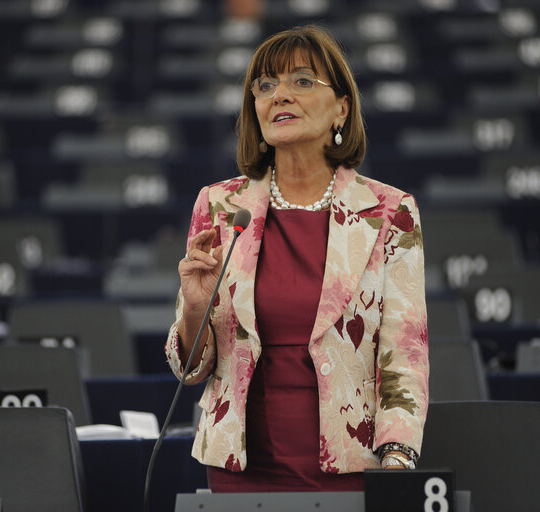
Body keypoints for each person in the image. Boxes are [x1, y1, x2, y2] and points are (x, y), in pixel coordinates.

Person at [165, 25, 429, 492]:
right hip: (239, 467)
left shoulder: (390, 212)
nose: (280, 95)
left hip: (350, 465)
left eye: (302, 81)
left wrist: (397, 466)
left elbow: (404, 356)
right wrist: (193, 307)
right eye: (265, 86)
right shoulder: (221, 206)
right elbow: (191, 370)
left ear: (341, 108)